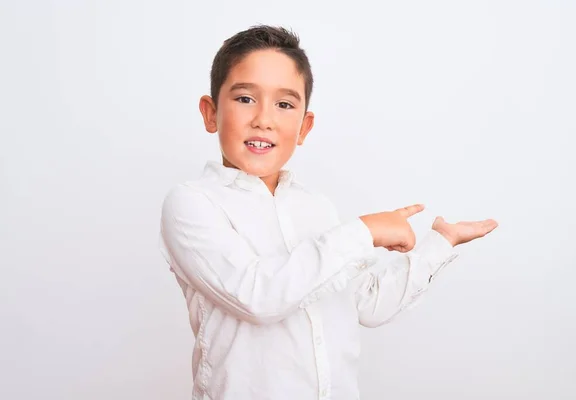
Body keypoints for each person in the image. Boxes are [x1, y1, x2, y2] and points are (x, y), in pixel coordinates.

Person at [159, 25, 498, 400]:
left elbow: (365, 304)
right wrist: (364, 232)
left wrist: (440, 245)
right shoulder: (191, 204)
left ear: (304, 127)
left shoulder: (315, 206)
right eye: (244, 99)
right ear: (210, 113)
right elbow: (258, 296)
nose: (263, 119)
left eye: (284, 104)